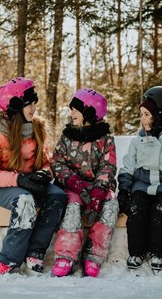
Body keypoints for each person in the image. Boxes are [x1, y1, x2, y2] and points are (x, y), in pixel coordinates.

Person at [0, 77, 67, 277]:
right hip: (7, 188)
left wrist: (46, 172)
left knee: (58, 196)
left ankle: (35, 252)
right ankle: (8, 260)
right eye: (31, 103)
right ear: (17, 105)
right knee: (24, 201)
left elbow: (47, 160)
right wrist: (18, 180)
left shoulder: (34, 127)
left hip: (33, 183)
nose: (35, 108)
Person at [51, 88, 118, 278]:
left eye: (76, 110)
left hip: (98, 187)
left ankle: (93, 255)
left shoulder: (105, 139)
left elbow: (108, 166)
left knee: (111, 205)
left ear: (88, 113)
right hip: (73, 186)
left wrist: (98, 189)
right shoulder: (67, 137)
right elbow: (57, 162)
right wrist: (74, 182)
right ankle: (66, 255)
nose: (71, 114)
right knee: (72, 207)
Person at [117, 86, 162, 274]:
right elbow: (128, 165)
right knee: (136, 209)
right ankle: (136, 252)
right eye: (142, 114)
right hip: (141, 185)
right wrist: (124, 189)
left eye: (147, 114)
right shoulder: (138, 140)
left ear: (160, 115)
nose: (143, 119)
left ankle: (156, 252)